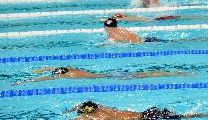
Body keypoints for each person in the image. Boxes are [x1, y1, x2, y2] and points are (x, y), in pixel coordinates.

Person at [65, 101, 208, 120]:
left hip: (149, 118)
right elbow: (85, 102)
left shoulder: (97, 117)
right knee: (191, 116)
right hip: (148, 113)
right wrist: (72, 109)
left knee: (193, 116)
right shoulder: (103, 109)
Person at [11, 67, 192, 86]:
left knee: (144, 77)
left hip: (110, 78)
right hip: (111, 74)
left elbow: (47, 79)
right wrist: (40, 69)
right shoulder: (72, 70)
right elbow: (53, 68)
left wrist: (25, 81)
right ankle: (177, 72)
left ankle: (179, 74)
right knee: (144, 74)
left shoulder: (66, 77)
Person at [104, 17, 208, 43]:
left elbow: (111, 44)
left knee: (176, 42)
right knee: (174, 41)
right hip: (147, 40)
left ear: (106, 27)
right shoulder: (121, 29)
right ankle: (205, 38)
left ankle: (205, 39)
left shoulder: (112, 34)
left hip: (146, 43)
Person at [113, 13, 208, 22]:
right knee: (182, 17)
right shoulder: (127, 17)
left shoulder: (125, 19)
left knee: (182, 17)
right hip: (156, 19)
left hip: (156, 20)